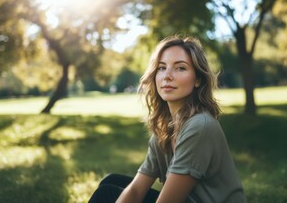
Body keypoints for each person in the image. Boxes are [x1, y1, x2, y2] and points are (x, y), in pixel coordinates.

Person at [88, 36, 246, 203]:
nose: (167, 76)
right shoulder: (165, 128)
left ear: (198, 80)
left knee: (106, 194)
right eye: (162, 68)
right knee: (110, 182)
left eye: (180, 68)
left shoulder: (200, 126)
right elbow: (136, 189)